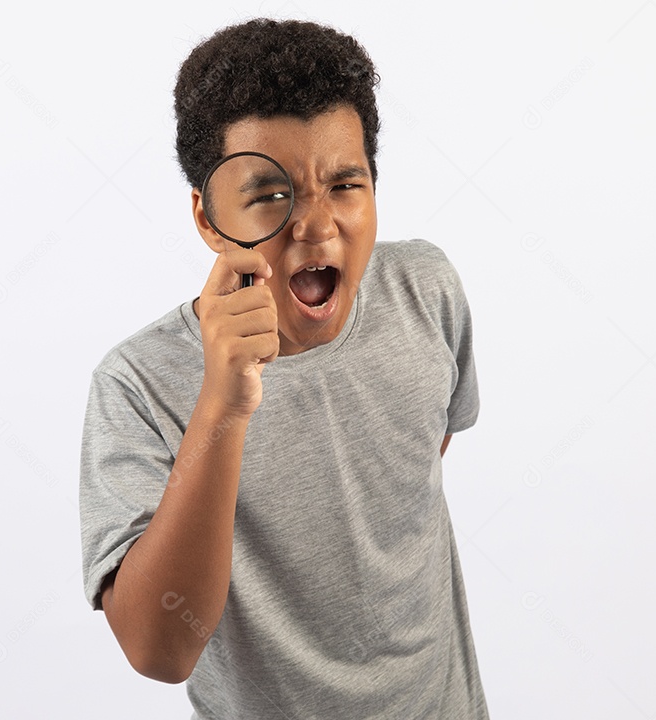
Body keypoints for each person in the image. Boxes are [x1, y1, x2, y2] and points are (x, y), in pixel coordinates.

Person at [79, 17, 490, 719]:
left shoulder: (429, 292)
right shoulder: (137, 385)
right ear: (210, 220)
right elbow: (159, 650)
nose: (316, 225)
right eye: (270, 194)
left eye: (344, 184)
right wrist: (223, 406)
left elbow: (418, 466)